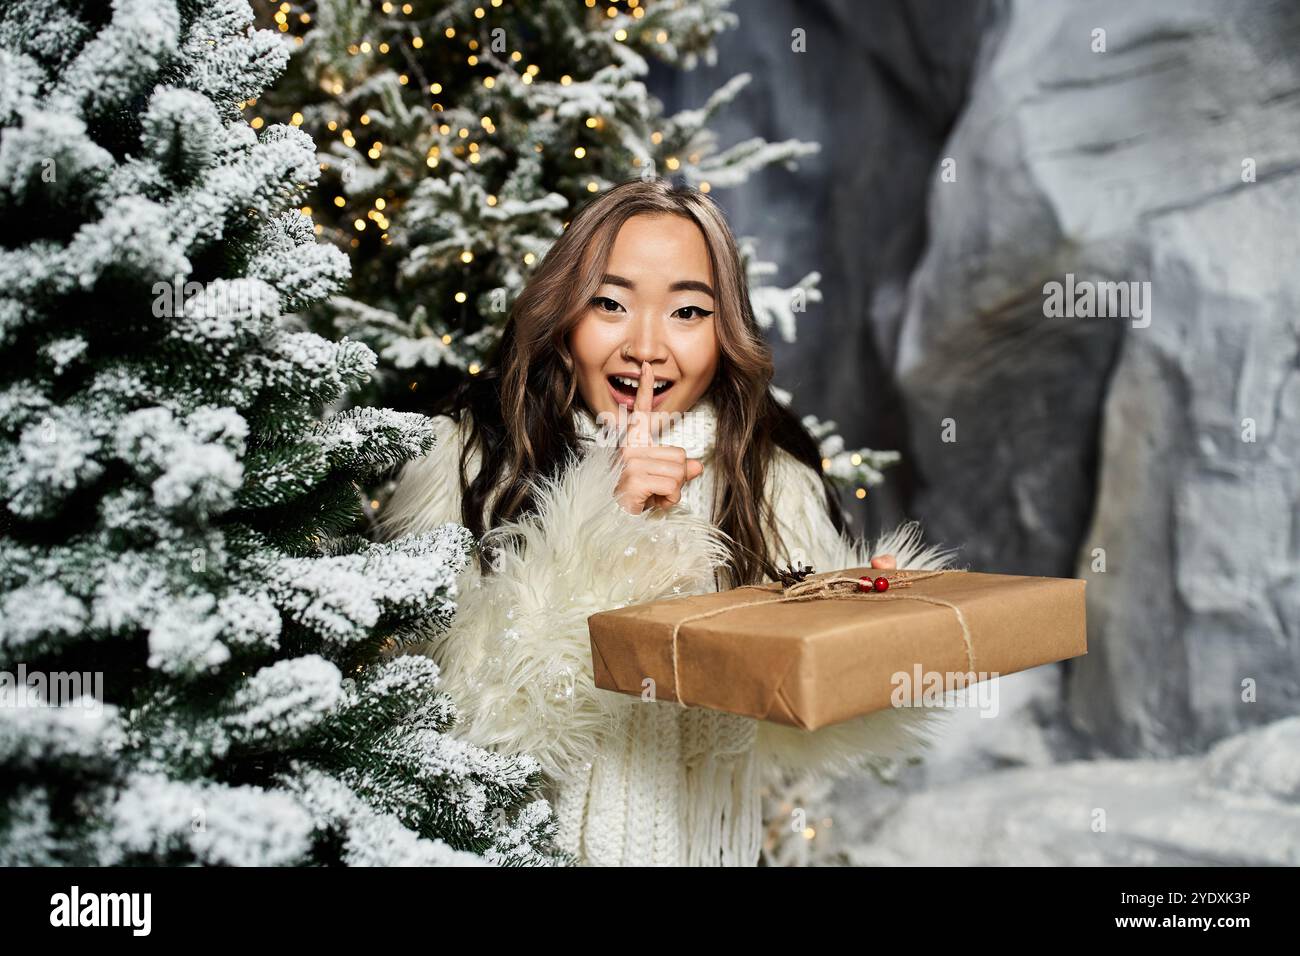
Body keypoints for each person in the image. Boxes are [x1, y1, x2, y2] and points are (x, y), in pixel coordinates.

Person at [376, 177, 958, 866]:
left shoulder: (769, 483)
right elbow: (454, 726)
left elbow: (798, 726)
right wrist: (601, 522)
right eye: (612, 303)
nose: (646, 347)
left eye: (686, 312)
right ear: (563, 315)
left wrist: (878, 638)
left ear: (724, 334)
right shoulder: (467, 463)